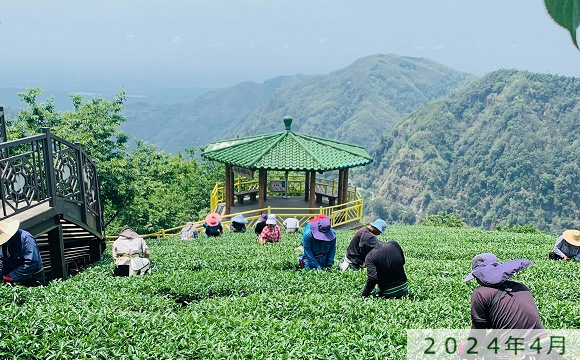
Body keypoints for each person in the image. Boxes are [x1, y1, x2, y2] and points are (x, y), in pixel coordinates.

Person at [460, 253, 548, 358]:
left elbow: (479, 331)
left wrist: (466, 349)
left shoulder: (480, 293)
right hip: (544, 344)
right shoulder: (521, 287)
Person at [0, 219, 45, 287]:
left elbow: (31, 262)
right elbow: (3, 259)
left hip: (32, 277)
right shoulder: (5, 243)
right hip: (15, 276)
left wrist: (11, 277)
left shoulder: (26, 238)